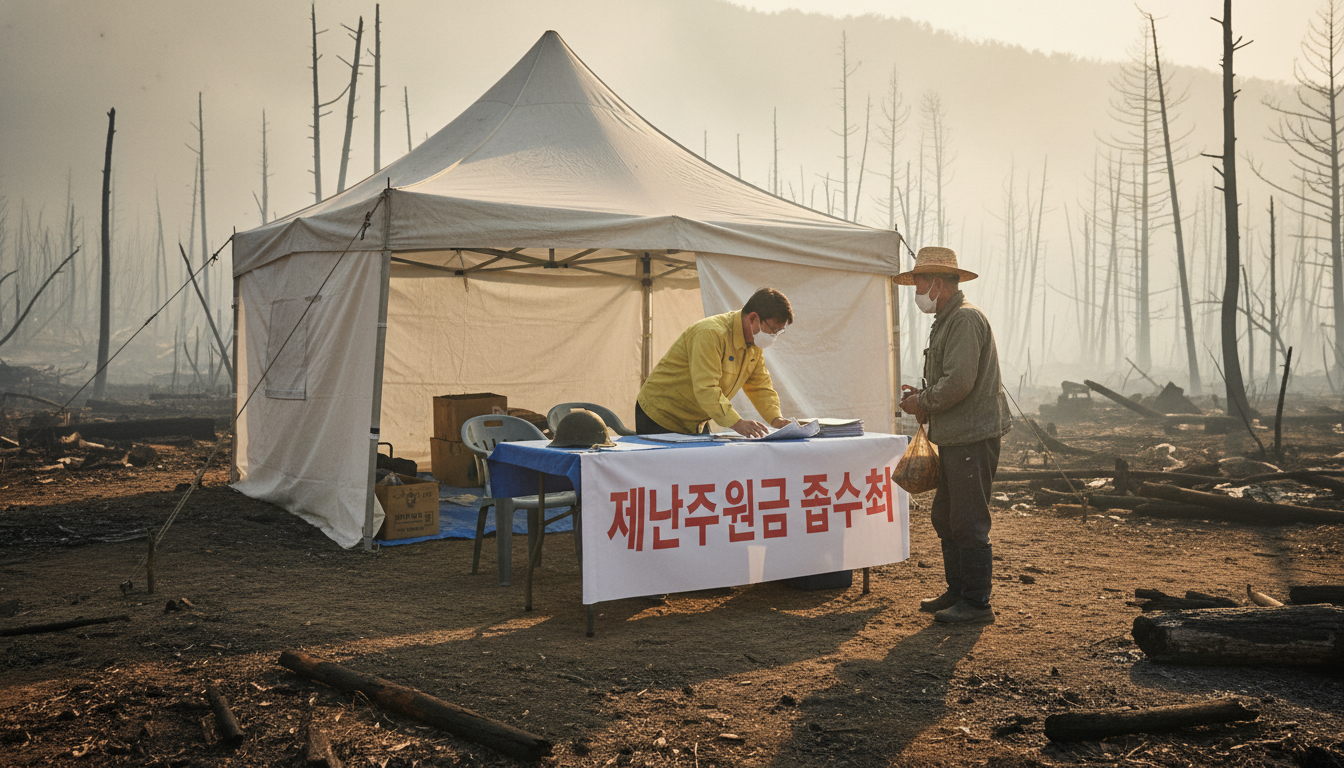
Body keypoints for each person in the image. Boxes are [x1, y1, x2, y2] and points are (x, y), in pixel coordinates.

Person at [895, 246, 1012, 624]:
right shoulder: (948, 319)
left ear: (939, 283)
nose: (916, 289)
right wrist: (924, 396)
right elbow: (952, 380)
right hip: (957, 435)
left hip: (971, 436)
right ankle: (958, 591)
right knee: (946, 517)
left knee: (968, 520)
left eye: (919, 282)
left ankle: (977, 604)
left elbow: (959, 383)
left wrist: (923, 401)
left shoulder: (962, 320)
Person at [636, 287, 794, 437]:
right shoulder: (710, 333)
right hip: (660, 414)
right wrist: (737, 423)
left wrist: (776, 419)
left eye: (779, 331)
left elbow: (760, 386)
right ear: (753, 318)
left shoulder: (754, 344)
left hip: (697, 419)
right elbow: (706, 388)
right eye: (773, 329)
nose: (774, 335)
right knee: (667, 465)